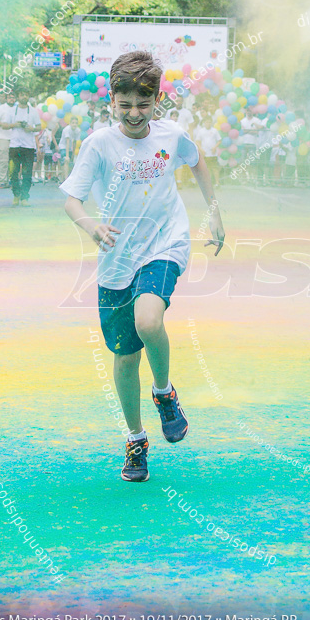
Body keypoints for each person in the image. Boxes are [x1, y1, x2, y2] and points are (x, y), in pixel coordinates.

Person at [60, 50, 226, 482]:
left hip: (164, 243)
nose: (135, 113)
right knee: (126, 358)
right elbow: (71, 199)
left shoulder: (171, 136)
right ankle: (136, 441)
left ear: (157, 102)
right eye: (125, 104)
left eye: (143, 104)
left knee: (149, 320)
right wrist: (89, 225)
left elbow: (198, 162)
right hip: (116, 259)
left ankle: (164, 393)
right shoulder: (99, 144)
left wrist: (215, 212)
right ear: (112, 102)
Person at [5, 88, 39, 206]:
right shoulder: (12, 111)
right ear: (18, 97)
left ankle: (25, 197)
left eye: (26, 95)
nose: (24, 97)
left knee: (27, 173)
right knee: (13, 172)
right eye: (21, 95)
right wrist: (15, 125)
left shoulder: (33, 111)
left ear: (28, 96)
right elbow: (4, 125)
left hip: (28, 146)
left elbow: (39, 127)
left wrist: (31, 128)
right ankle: (16, 194)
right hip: (14, 145)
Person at [59, 116, 82, 181]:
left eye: (76, 123)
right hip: (63, 147)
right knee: (66, 161)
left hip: (69, 148)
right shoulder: (67, 129)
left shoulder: (78, 130)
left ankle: (67, 177)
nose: (74, 124)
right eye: (73, 123)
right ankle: (66, 179)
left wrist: (72, 154)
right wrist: (67, 156)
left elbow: (74, 142)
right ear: (70, 123)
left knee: (71, 163)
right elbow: (67, 142)